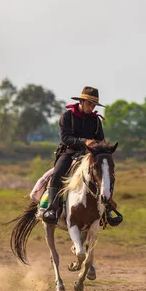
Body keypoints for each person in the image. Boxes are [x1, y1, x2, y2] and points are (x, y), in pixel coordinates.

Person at [42, 86, 122, 226]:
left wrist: (100, 147)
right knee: (58, 173)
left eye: (94, 105)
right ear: (82, 101)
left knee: (106, 175)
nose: (92, 107)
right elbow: (65, 138)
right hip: (69, 152)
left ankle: (107, 208)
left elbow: (100, 139)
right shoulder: (67, 117)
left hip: (90, 155)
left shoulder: (96, 121)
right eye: (89, 104)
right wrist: (84, 141)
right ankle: (52, 209)